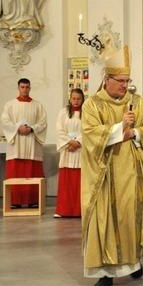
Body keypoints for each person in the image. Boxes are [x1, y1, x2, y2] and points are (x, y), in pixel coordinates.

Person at [81, 45, 143, 286]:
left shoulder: (137, 102)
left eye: (128, 81)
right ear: (107, 79)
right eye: (121, 81)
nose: (125, 86)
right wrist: (119, 128)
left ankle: (134, 262)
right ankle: (105, 273)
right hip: (105, 174)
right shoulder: (92, 105)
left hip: (133, 173)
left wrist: (135, 131)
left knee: (131, 217)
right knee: (106, 219)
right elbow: (91, 135)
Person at [1, 78, 47, 207]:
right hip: (16, 144)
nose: (25, 89)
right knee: (16, 172)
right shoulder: (10, 105)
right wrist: (17, 128)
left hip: (32, 142)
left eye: (27, 87)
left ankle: (33, 200)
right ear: (18, 88)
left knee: (33, 171)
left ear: (30, 88)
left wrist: (32, 128)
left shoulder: (37, 105)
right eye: (22, 87)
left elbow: (43, 123)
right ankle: (15, 201)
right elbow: (5, 121)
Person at [54, 88, 84, 218]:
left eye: (78, 99)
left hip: (81, 150)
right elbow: (59, 130)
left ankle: (80, 210)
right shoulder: (63, 112)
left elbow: (89, 130)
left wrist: (78, 142)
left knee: (80, 181)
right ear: (70, 99)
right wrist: (69, 143)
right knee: (67, 181)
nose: (76, 101)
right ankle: (64, 210)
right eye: (74, 98)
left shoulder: (87, 113)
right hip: (67, 150)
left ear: (82, 99)